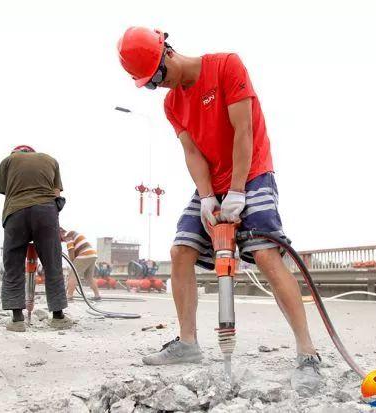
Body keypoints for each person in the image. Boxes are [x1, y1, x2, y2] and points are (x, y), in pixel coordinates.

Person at [117, 27, 321, 392]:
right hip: (211, 181)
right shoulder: (171, 105)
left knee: (265, 254)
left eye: (157, 76)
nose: (158, 86)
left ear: (168, 52)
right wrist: (208, 197)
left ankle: (307, 352)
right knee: (181, 249)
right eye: (149, 84)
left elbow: (243, 131)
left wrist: (239, 191)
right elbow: (192, 152)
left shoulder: (227, 66)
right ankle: (188, 343)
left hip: (252, 172)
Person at [0, 145, 72, 332]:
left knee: (13, 265)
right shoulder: (50, 159)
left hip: (16, 212)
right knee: (52, 263)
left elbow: (6, 191)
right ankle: (58, 317)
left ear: (16, 153)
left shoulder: (7, 160)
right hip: (45, 212)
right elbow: (56, 194)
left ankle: (17, 319)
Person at [60, 228, 101, 301]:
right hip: (92, 254)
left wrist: (72, 263)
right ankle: (97, 295)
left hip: (84, 254)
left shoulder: (68, 235)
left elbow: (71, 250)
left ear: (60, 233)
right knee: (89, 277)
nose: (62, 241)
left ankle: (69, 296)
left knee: (73, 275)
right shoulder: (73, 234)